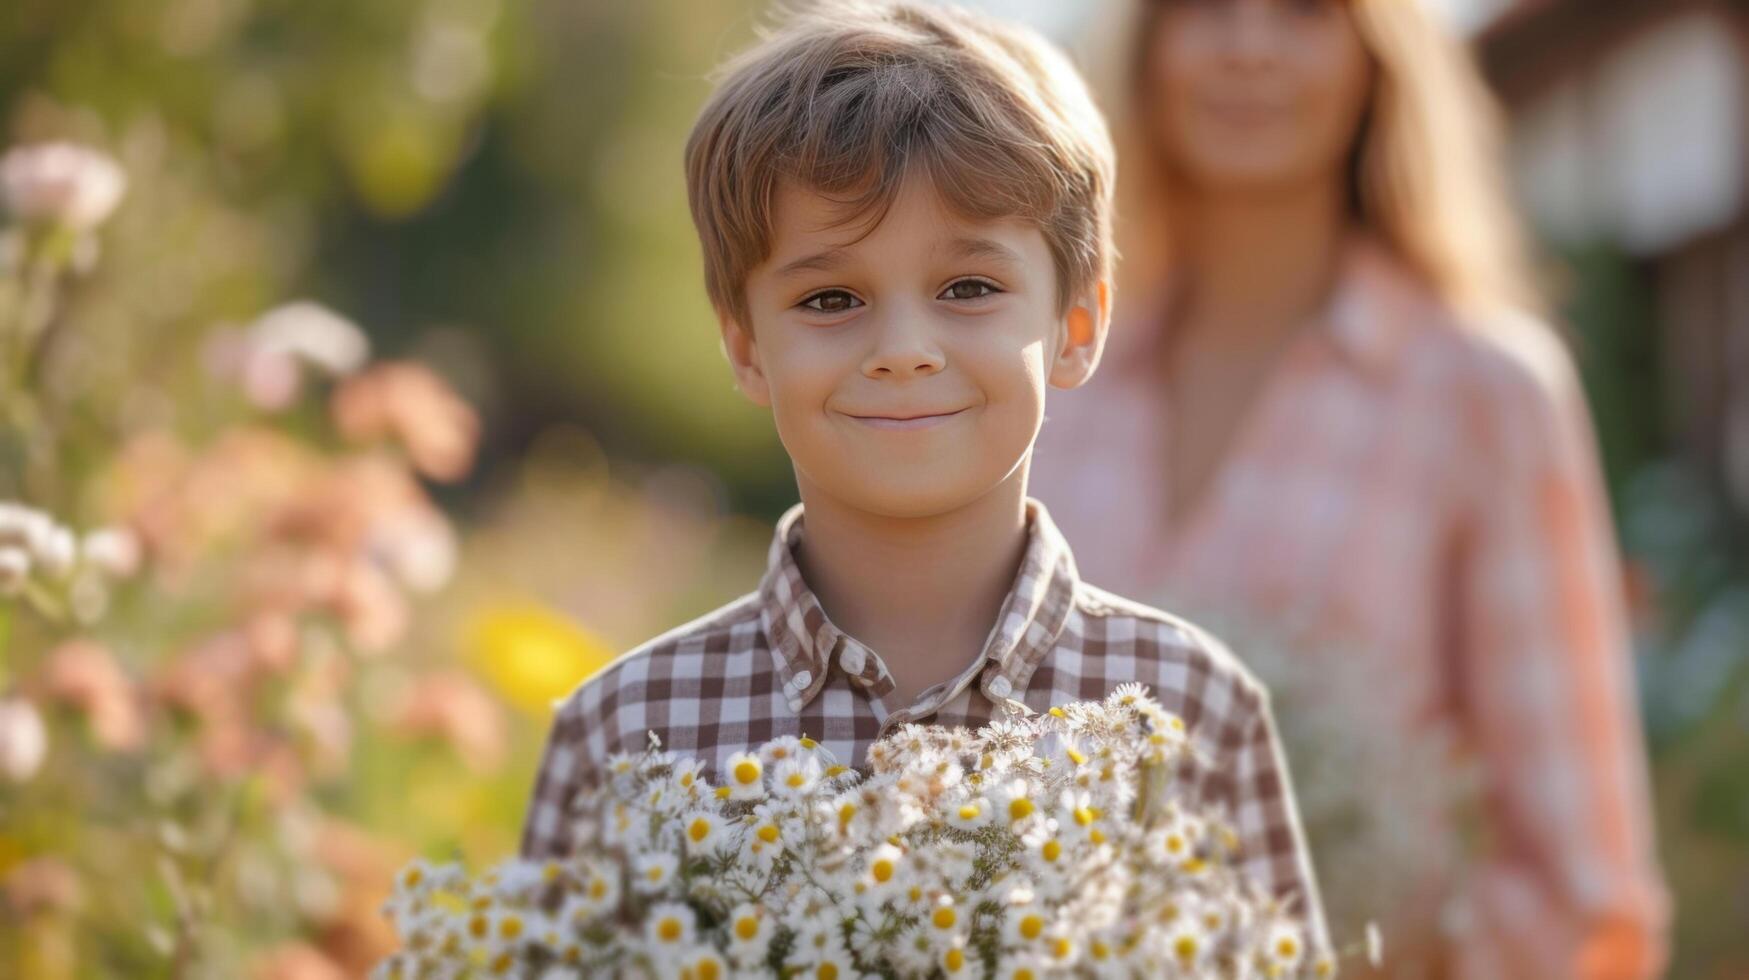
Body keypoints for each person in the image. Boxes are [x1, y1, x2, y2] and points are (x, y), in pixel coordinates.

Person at [519, 0, 1333, 962]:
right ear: (745, 348)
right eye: (830, 298)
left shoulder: (1195, 712)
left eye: (968, 289)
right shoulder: (623, 733)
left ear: (1076, 324)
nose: (903, 350)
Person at [1031, 1, 1669, 977]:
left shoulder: (1480, 390)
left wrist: (1375, 942)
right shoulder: (1051, 382)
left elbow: (1581, 888)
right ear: (1149, 48)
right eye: (1205, 8)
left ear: (1375, 59)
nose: (1250, 44)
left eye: (1304, 10)